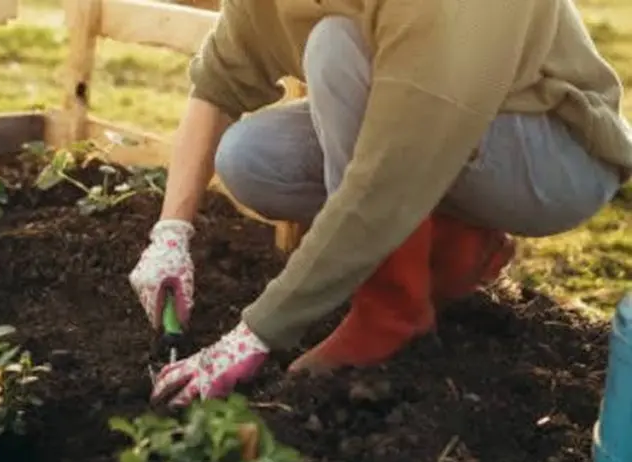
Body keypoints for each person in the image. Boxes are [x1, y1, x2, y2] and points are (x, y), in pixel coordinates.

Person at [128, 0, 632, 407]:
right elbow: (218, 82)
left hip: (551, 152)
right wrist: (171, 233)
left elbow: (385, 179)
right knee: (250, 157)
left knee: (334, 49)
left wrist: (256, 333)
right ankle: (455, 242)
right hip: (430, 118)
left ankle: (392, 311)